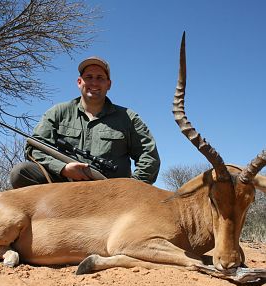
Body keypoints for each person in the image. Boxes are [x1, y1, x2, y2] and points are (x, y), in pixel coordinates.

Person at [10, 56, 160, 188]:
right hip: (62, 186)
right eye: (89, 77)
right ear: (79, 82)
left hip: (111, 192)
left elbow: (149, 157)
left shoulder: (129, 117)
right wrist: (63, 168)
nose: (94, 82)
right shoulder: (57, 112)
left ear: (109, 84)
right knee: (21, 172)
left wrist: (130, 188)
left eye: (100, 78)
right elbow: (34, 148)